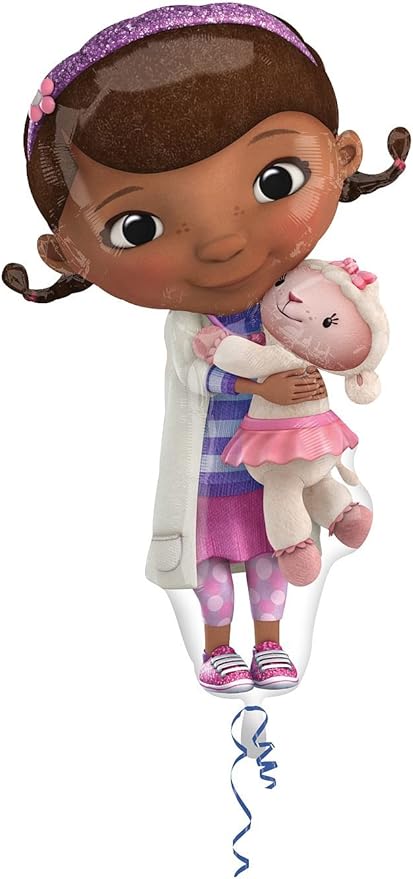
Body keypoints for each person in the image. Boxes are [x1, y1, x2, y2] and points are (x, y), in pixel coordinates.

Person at [3, 4, 409, 692]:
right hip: (213, 471)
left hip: (287, 461)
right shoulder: (190, 322)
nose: (222, 244)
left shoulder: (305, 289)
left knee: (275, 559)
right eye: (137, 226)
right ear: (67, 256)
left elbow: (341, 334)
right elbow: (194, 376)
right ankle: (220, 648)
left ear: (342, 158)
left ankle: (272, 642)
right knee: (216, 565)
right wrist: (257, 386)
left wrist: (356, 359)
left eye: (274, 180)